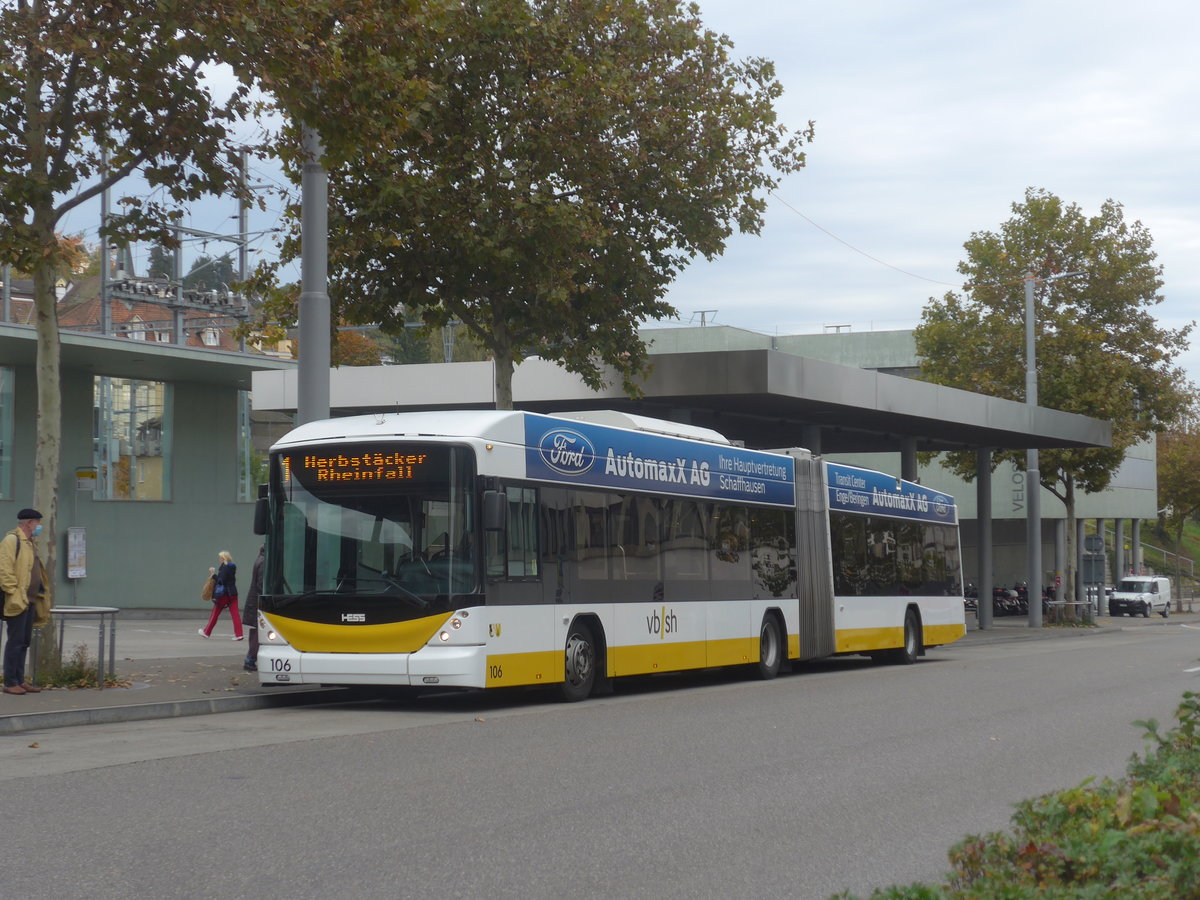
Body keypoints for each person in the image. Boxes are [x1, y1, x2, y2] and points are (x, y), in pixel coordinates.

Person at [1, 508, 50, 695]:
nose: (39, 526)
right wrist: (14, 592)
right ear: (29, 523)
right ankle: (10, 682)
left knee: (24, 641)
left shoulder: (29, 542)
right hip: (18, 599)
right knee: (15, 641)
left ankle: (20, 680)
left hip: (30, 600)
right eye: (37, 522)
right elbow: (4, 570)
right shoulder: (12, 540)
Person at [198, 550, 244, 641]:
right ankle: (239, 634)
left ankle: (206, 632)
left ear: (224, 558)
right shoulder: (232, 567)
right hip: (233, 593)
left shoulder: (224, 568)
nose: (219, 559)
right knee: (235, 614)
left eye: (220, 558)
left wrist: (213, 574)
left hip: (223, 594)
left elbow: (221, 580)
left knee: (215, 613)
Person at [242, 544, 265, 671]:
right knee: (257, 633)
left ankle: (250, 659)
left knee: (255, 632)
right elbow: (261, 584)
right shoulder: (265, 561)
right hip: (258, 602)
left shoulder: (260, 559)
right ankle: (250, 660)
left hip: (254, 601)